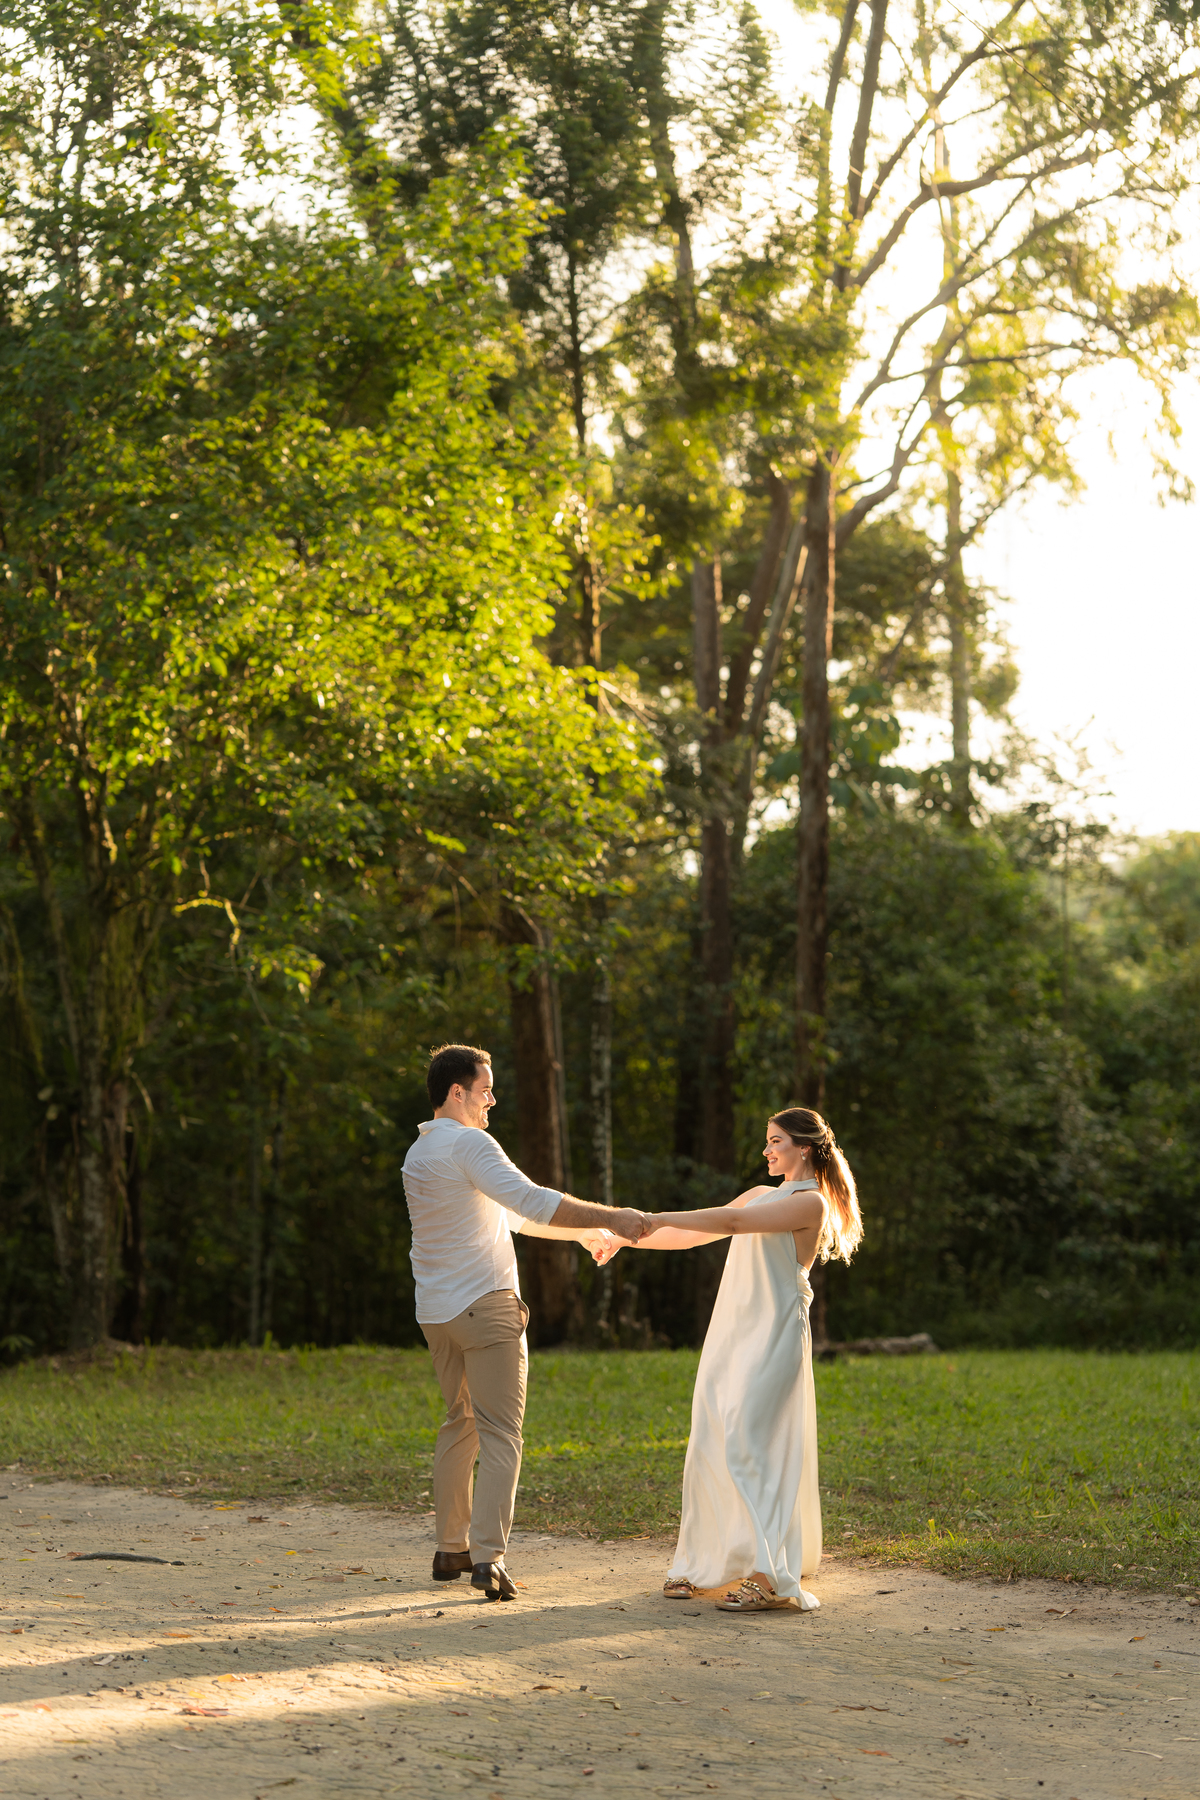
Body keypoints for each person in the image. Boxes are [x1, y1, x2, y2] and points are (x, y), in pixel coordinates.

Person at [400, 1042, 650, 1601]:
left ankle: (450, 1548)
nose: (493, 1100)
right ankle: (488, 1557)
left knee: (458, 1424)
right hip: (486, 1308)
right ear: (457, 1092)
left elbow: (512, 1215)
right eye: (485, 1089)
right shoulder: (471, 1143)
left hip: (437, 1315)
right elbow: (534, 1200)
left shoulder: (420, 1154)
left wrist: (584, 1234)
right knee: (501, 1434)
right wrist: (614, 1216)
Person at [604, 1106, 862, 1613]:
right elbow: (702, 1231)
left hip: (773, 1334)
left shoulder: (809, 1203)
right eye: (766, 1141)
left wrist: (650, 1216)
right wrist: (627, 1236)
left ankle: (770, 1578)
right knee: (711, 1436)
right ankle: (704, 1565)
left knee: (749, 1444)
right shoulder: (763, 1194)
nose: (766, 1150)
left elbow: (733, 1221)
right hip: (733, 1331)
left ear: (804, 1147)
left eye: (776, 1141)